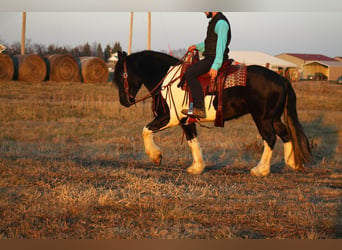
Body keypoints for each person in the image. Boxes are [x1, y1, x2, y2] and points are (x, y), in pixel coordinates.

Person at [181, 12, 231, 119]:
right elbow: (210, 44)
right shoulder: (214, 22)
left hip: (213, 58)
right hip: (211, 56)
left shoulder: (221, 23)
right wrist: (197, 46)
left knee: (190, 73)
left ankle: (199, 108)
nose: (204, 12)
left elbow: (221, 46)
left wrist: (215, 65)